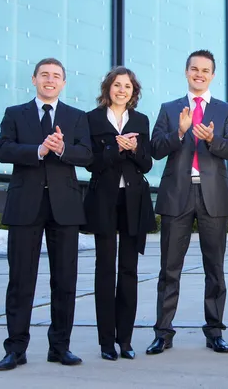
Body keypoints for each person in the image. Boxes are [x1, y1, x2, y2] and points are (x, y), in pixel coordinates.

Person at [0, 57, 92, 371]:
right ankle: (16, 349)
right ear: (35, 79)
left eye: (56, 76)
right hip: (25, 206)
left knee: (65, 280)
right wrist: (38, 150)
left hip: (65, 207)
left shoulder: (76, 117)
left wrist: (62, 149)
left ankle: (60, 347)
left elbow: (87, 154)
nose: (50, 80)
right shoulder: (15, 114)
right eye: (44, 75)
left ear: (63, 83)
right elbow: (3, 149)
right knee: (21, 280)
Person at [147, 50, 228, 354]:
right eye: (194, 69)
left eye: (205, 70)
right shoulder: (169, 108)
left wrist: (213, 141)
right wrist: (180, 132)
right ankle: (163, 332)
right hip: (177, 196)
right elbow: (156, 150)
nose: (199, 74)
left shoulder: (225, 110)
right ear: (186, 72)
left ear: (212, 75)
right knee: (169, 269)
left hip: (213, 196)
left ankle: (214, 331)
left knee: (215, 268)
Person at [82, 66, 156, 361]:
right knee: (105, 269)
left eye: (127, 86)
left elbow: (147, 164)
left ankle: (125, 340)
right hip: (104, 200)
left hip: (133, 201)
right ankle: (105, 342)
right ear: (107, 88)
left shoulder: (141, 120)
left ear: (133, 91)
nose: (121, 90)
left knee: (128, 270)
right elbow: (89, 162)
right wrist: (114, 147)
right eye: (116, 85)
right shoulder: (91, 119)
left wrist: (135, 149)